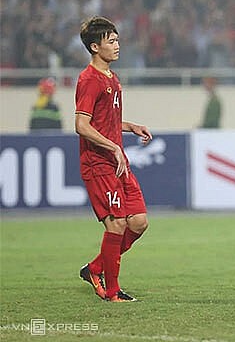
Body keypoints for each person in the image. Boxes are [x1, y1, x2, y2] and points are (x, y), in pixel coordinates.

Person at [75, 16, 153, 302]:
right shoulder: (89, 80)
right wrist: (115, 147)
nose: (117, 45)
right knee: (117, 224)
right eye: (111, 41)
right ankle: (112, 291)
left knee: (139, 222)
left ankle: (95, 268)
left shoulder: (112, 78)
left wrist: (129, 126)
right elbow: (82, 125)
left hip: (116, 161)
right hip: (98, 163)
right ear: (95, 47)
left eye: (117, 39)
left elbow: (104, 121)